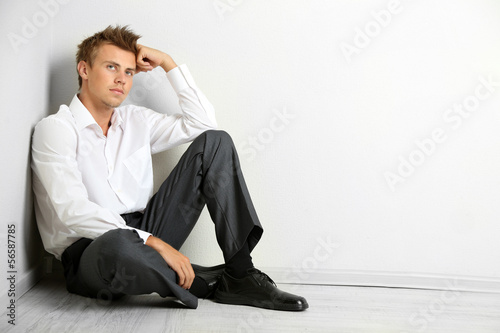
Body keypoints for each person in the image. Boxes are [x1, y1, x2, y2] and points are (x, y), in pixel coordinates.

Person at [31, 25, 308, 311]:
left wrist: (167, 63)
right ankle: (204, 285)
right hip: (93, 250)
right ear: (85, 70)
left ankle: (240, 273)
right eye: (111, 67)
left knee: (215, 142)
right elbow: (72, 211)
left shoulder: (135, 120)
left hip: (146, 227)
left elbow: (203, 124)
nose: (121, 80)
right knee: (120, 246)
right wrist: (156, 244)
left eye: (128, 72)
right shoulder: (56, 129)